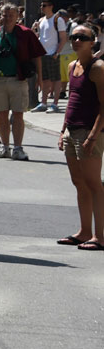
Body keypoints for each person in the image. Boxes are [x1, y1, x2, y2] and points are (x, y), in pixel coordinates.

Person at [56, 24, 104, 250]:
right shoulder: (73, 65)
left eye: (82, 37)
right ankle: (84, 232)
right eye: (73, 36)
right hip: (71, 131)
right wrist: (62, 129)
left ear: (92, 42)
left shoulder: (98, 68)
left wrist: (94, 135)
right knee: (79, 183)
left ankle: (100, 236)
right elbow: (72, 102)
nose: (76, 40)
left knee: (94, 184)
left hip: (89, 132)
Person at [0, 3, 45, 161]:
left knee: (18, 114)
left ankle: (18, 148)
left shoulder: (26, 33)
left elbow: (37, 56)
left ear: (17, 17)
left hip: (18, 79)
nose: (7, 18)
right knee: (1, 115)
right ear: (0, 16)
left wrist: (40, 79)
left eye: (11, 15)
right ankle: (4, 147)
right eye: (5, 15)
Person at [34, 0, 69, 112]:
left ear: (51, 6)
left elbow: (63, 38)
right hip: (43, 53)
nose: (42, 7)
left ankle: (55, 104)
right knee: (45, 79)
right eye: (41, 5)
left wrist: (57, 52)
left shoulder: (57, 19)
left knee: (56, 79)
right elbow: (39, 36)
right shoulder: (41, 20)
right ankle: (43, 103)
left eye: (44, 5)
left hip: (52, 53)